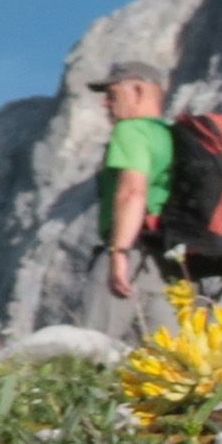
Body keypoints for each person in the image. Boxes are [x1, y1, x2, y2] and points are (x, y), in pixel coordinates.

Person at [90, 67, 171, 307]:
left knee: (91, 344)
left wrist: (119, 254)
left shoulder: (130, 131)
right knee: (166, 343)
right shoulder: (169, 134)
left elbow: (132, 193)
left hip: (134, 253)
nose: (105, 103)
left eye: (112, 94)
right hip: (169, 261)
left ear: (137, 91)